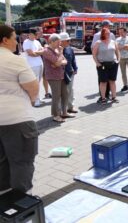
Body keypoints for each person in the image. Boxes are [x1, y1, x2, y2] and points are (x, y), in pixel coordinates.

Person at [0, 25, 39, 193]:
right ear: (5, 40)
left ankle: (5, 205)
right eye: (15, 38)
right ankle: (21, 206)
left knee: (2, 162)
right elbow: (33, 87)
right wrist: (31, 100)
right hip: (17, 120)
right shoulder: (14, 60)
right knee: (21, 162)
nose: (17, 42)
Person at [43, 34, 73, 122]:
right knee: (56, 96)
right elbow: (57, 63)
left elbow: (65, 61)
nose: (60, 43)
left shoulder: (57, 49)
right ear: (51, 41)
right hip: (53, 77)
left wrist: (59, 62)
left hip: (61, 75)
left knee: (65, 94)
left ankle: (64, 112)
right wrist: (59, 56)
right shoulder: (47, 51)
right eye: (58, 41)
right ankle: (56, 115)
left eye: (60, 41)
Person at [92, 28, 120, 104]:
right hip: (102, 65)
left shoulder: (113, 42)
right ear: (103, 34)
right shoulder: (98, 42)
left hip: (113, 64)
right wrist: (97, 63)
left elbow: (117, 52)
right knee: (103, 82)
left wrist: (118, 60)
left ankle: (114, 97)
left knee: (112, 81)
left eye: (109, 33)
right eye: (106, 33)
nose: (108, 34)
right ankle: (103, 98)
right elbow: (94, 54)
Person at [91, 20, 115, 100]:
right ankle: (102, 96)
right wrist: (97, 61)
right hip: (101, 61)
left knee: (110, 79)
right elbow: (93, 47)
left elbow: (114, 46)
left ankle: (107, 94)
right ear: (104, 26)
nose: (110, 27)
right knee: (102, 80)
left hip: (111, 61)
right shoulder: (97, 35)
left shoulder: (111, 34)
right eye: (109, 26)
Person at [23, 28, 44, 107]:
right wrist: (39, 52)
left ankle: (37, 98)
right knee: (34, 83)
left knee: (38, 82)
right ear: (30, 34)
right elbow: (31, 54)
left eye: (36, 34)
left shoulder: (37, 41)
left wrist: (37, 52)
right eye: (35, 34)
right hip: (32, 65)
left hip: (40, 64)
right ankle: (35, 100)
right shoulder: (26, 42)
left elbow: (43, 50)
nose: (36, 36)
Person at [60, 32, 78, 113]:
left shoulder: (70, 49)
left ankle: (70, 107)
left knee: (70, 90)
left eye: (69, 40)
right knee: (62, 92)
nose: (69, 42)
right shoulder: (57, 50)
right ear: (62, 41)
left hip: (70, 72)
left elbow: (73, 59)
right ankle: (62, 109)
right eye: (67, 40)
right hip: (60, 74)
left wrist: (75, 68)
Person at [116, 27, 128, 92]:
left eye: (122, 32)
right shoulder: (117, 39)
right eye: (119, 32)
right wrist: (125, 46)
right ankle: (125, 85)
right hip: (121, 58)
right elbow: (117, 48)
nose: (120, 33)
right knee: (123, 73)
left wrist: (122, 47)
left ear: (125, 32)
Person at [36, 28, 51, 99]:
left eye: (42, 32)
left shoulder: (43, 40)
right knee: (36, 79)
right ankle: (36, 95)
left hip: (44, 61)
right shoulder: (33, 41)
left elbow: (46, 47)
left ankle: (47, 93)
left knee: (45, 78)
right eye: (40, 32)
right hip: (35, 63)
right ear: (37, 32)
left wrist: (44, 47)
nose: (42, 33)